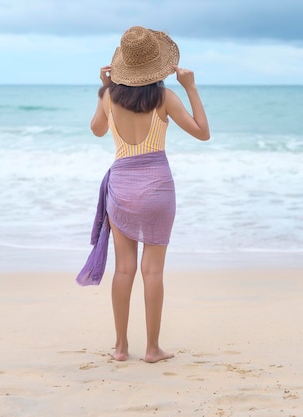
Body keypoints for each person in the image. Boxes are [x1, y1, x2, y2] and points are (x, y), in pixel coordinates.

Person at [76, 26, 209, 363]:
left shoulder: (109, 97)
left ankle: (120, 348)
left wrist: (103, 91)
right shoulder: (164, 98)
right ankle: (152, 349)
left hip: (121, 188)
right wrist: (191, 88)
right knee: (153, 272)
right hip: (158, 189)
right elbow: (202, 133)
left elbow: (96, 130)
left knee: (124, 270)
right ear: (155, 66)